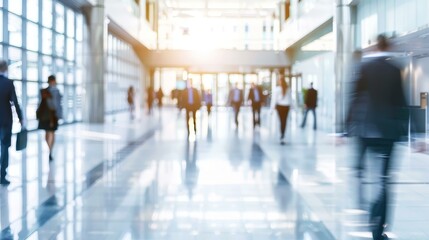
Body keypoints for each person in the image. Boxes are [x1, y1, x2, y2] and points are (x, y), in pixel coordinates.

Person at [346, 34, 409, 240]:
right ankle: (378, 227)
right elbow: (402, 103)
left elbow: (354, 97)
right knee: (384, 180)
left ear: (375, 47)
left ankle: (364, 203)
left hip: (366, 131)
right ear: (388, 46)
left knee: (361, 173)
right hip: (388, 133)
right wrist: (415, 135)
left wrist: (345, 128)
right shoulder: (396, 69)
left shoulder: (365, 67)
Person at [0, 60, 23, 185]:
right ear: (5, 69)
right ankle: (2, 175)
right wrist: (21, 118)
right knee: (4, 147)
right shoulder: (8, 83)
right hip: (5, 121)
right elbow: (15, 102)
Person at [37, 75, 62, 162]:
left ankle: (50, 150)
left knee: (49, 133)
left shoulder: (43, 91)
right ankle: (50, 150)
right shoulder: (55, 91)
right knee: (51, 133)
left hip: (45, 116)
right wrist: (59, 115)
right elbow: (57, 105)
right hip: (52, 115)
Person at [271, 76, 292, 145]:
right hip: (286, 106)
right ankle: (283, 134)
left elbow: (274, 99)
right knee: (284, 121)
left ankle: (282, 134)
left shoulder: (277, 89)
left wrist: (272, 109)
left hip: (280, 106)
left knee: (281, 121)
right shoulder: (288, 89)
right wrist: (292, 107)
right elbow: (290, 99)